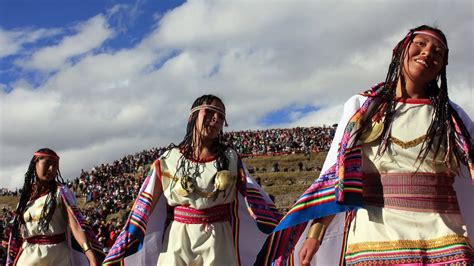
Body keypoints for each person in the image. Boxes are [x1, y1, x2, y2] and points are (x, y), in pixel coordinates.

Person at [256, 25, 473, 265]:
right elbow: (335, 175)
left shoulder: (454, 117)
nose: (428, 53)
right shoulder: (363, 108)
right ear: (400, 50)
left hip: (443, 232)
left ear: (443, 65)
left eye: (438, 51)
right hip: (375, 233)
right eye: (420, 44)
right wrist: (315, 234)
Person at [104, 95, 281, 265]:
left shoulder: (230, 157)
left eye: (221, 116)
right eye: (210, 112)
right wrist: (124, 243)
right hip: (179, 237)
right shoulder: (169, 158)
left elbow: (253, 196)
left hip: (218, 236)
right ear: (193, 116)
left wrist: (282, 228)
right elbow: (147, 203)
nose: (215, 119)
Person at [6, 148, 105, 266]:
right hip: (27, 256)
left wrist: (91, 258)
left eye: (55, 165)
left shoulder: (61, 193)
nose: (51, 169)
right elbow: (17, 236)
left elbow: (76, 227)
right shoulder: (24, 199)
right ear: (35, 163)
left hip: (57, 256)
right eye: (47, 163)